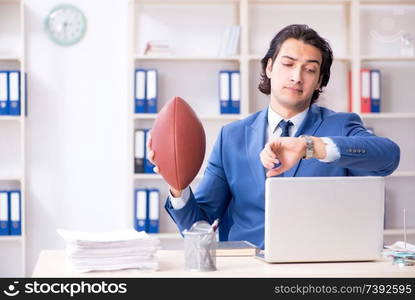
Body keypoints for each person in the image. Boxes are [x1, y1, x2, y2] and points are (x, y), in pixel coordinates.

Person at [148, 24, 400, 249]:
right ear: (269, 67)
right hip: (249, 271)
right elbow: (199, 229)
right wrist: (177, 187)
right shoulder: (231, 137)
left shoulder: (341, 125)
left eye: (310, 70)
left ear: (320, 81)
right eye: (288, 64)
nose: (296, 76)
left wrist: (309, 146)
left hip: (321, 266)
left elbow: (388, 156)